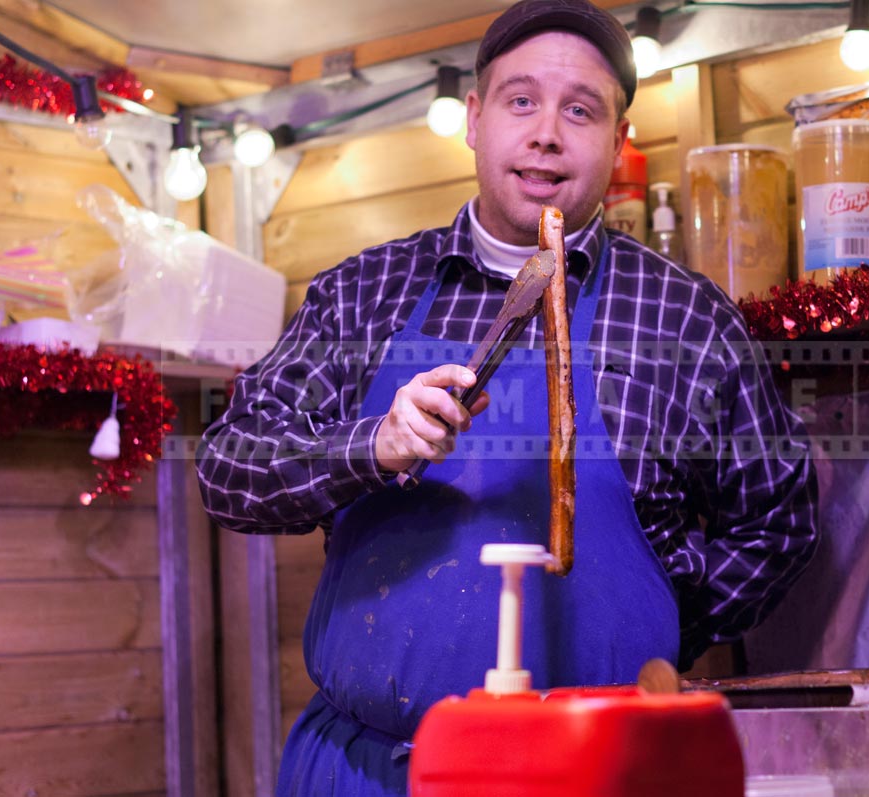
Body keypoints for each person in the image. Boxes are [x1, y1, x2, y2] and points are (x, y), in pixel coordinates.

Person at [196, 0, 818, 793]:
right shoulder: (367, 294)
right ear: (476, 118)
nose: (548, 133)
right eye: (522, 101)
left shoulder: (686, 318)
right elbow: (228, 467)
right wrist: (369, 445)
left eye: (581, 110)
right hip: (373, 768)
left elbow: (779, 520)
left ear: (619, 137)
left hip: (604, 769)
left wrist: (663, 605)